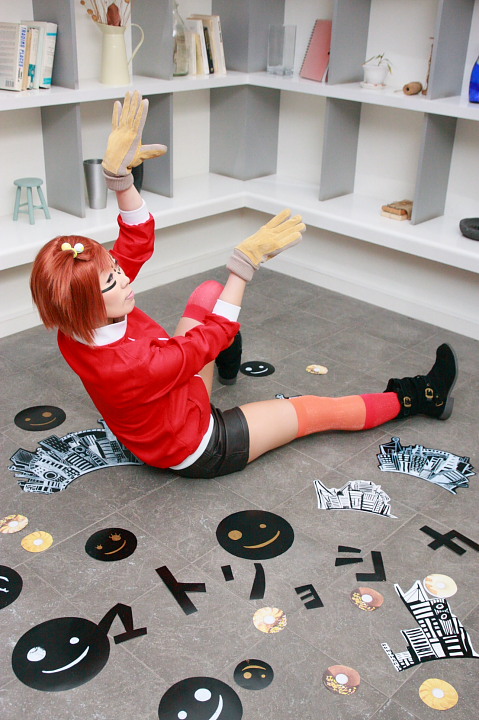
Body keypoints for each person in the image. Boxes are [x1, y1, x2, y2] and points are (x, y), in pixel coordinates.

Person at [30, 91, 458, 480]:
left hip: (166, 402)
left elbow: (136, 241)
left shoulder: (74, 323)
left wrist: (120, 181)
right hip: (196, 445)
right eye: (112, 279)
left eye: (114, 269)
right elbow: (216, 332)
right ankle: (423, 398)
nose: (124, 278)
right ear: (86, 304)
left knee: (207, 295)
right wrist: (244, 265)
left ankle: (227, 368)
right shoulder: (132, 364)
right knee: (312, 411)